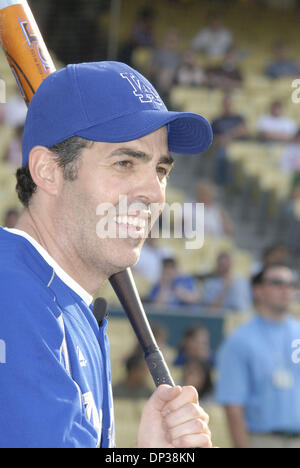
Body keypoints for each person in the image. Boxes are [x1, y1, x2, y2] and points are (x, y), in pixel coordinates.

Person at [0, 61, 213, 448]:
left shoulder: (65, 304)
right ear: (48, 172)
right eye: (125, 163)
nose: (155, 193)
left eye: (161, 169)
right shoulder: (11, 296)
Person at [216, 264, 300, 448]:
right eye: (277, 283)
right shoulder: (239, 340)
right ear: (258, 290)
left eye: (292, 284)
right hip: (263, 440)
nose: (286, 289)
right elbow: (233, 406)